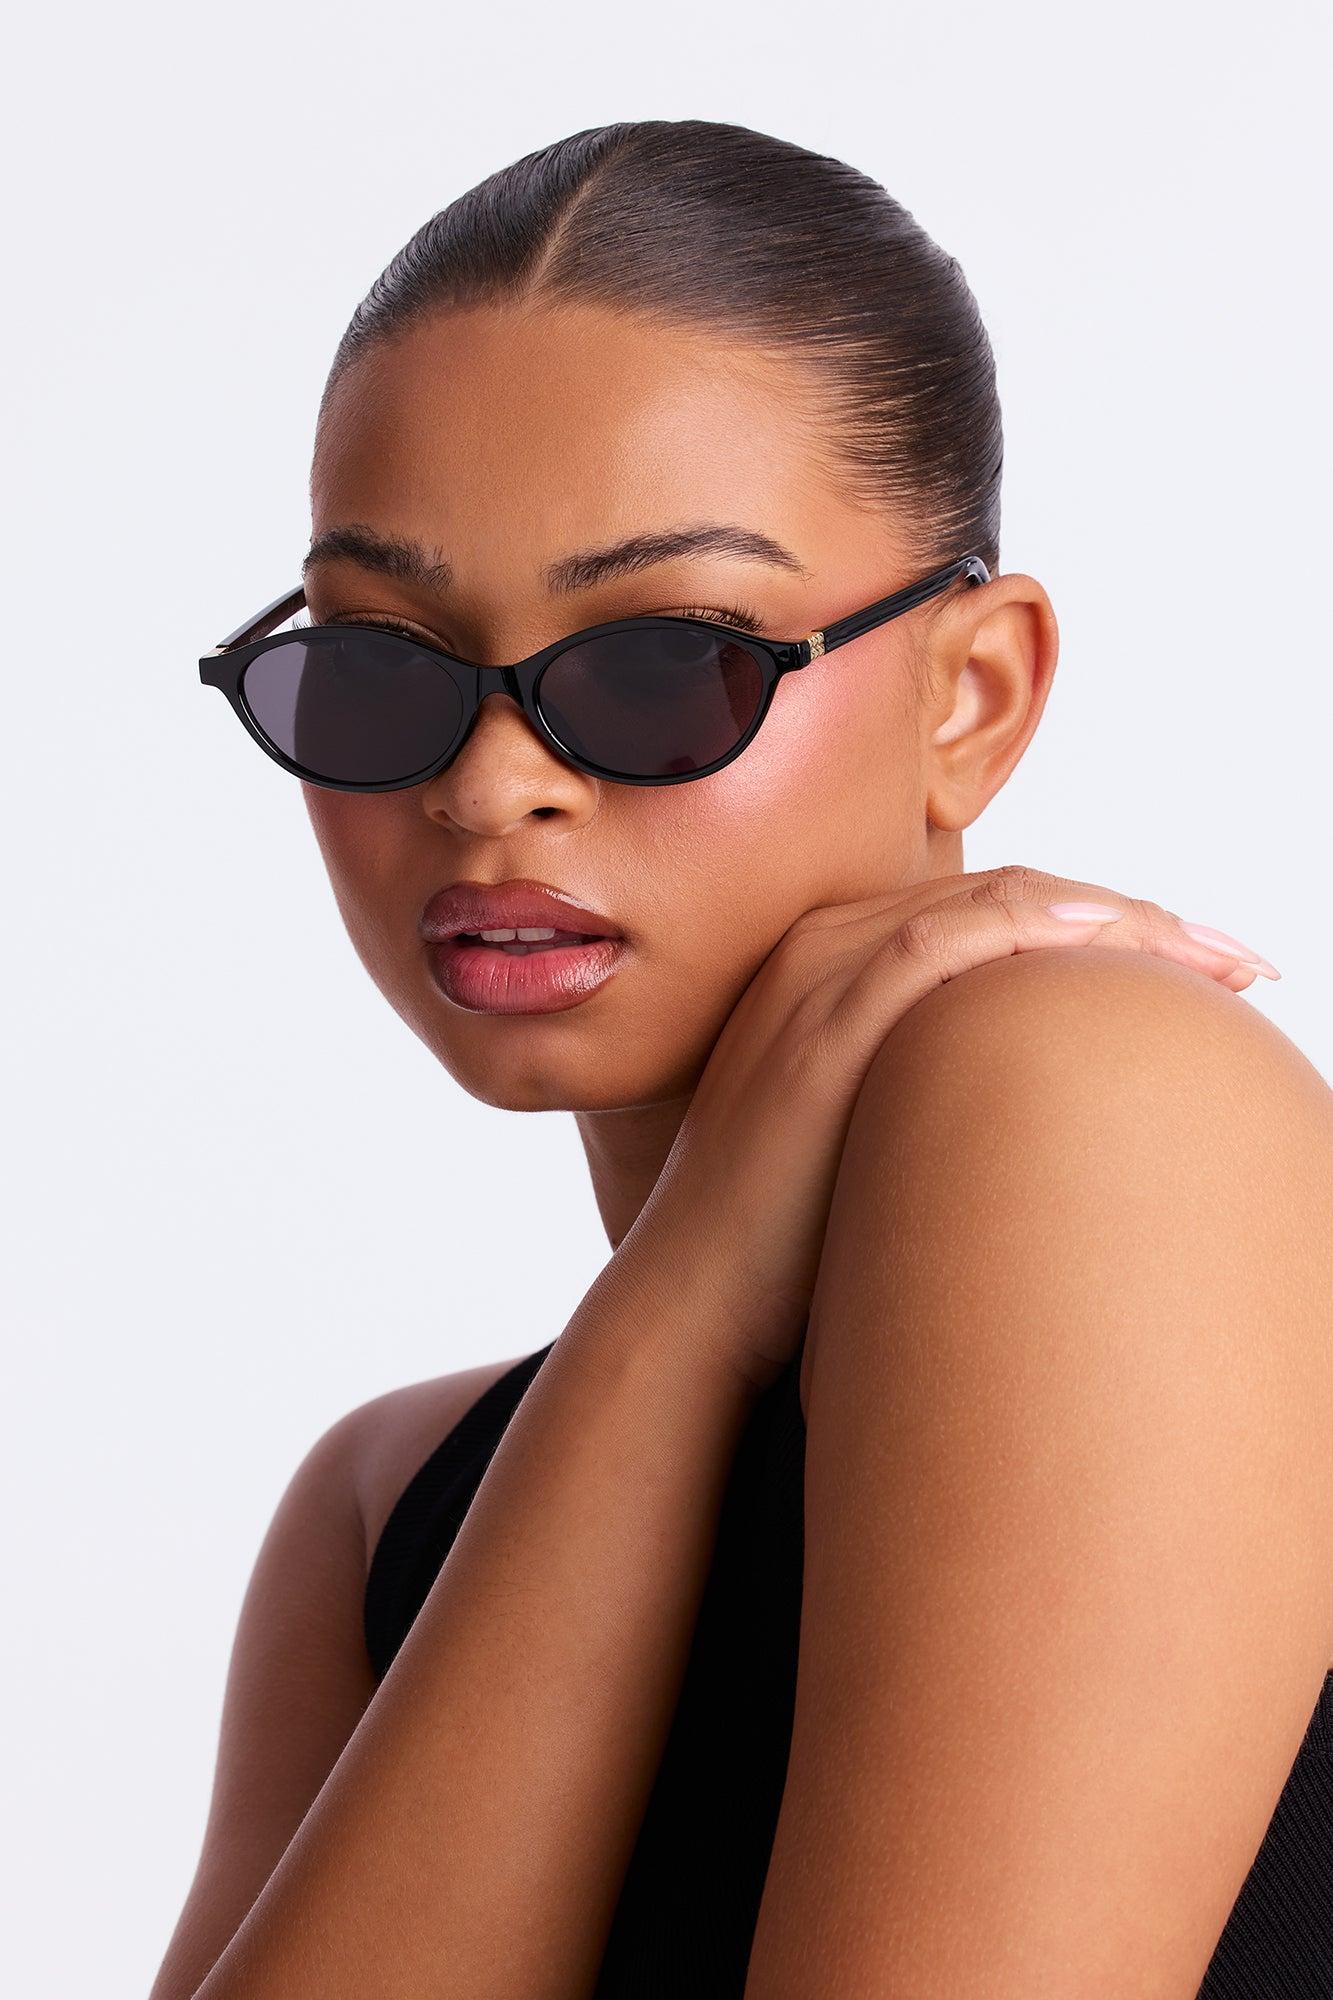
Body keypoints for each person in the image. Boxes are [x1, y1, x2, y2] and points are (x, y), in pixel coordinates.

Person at [155, 121, 1333, 2000]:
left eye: (660, 663)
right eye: (378, 665)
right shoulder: (383, 1505)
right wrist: (675, 1309)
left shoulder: (1098, 1086)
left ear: (969, 697)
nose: (490, 786)